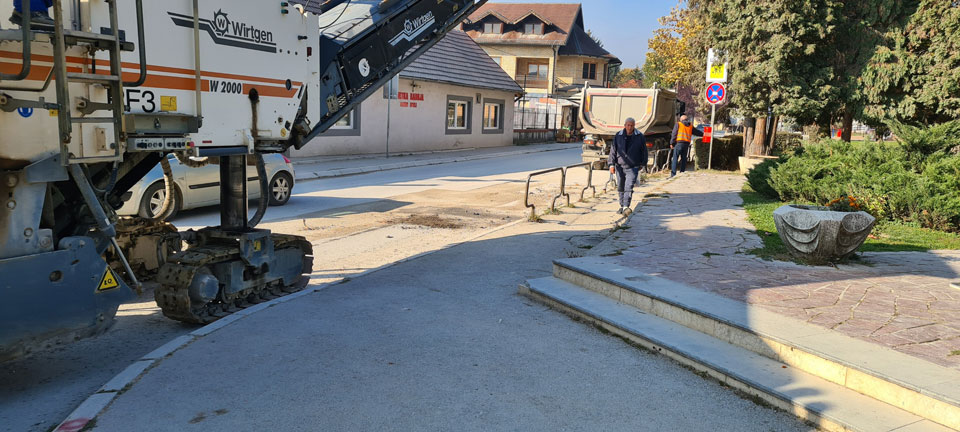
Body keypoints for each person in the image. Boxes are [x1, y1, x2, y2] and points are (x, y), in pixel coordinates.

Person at [607, 117, 647, 216]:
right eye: (628, 125)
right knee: (621, 186)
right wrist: (611, 164)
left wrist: (643, 163)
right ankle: (622, 205)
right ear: (624, 125)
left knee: (629, 186)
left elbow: (644, 151)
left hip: (633, 166)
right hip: (619, 166)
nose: (629, 127)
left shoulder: (639, 136)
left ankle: (626, 206)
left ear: (634, 126)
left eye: (631, 125)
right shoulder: (618, 135)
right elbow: (613, 150)